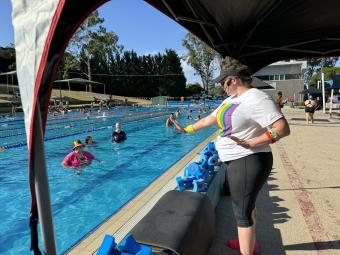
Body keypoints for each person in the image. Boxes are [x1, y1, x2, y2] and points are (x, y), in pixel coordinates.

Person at [172, 56, 290, 255]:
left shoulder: (256, 98)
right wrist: (187, 129)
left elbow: (282, 128)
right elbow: (210, 119)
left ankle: (247, 250)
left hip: (249, 159)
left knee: (242, 211)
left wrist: (253, 142)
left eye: (223, 82)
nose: (222, 87)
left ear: (234, 79)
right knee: (247, 207)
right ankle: (250, 245)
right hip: (237, 160)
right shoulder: (230, 100)